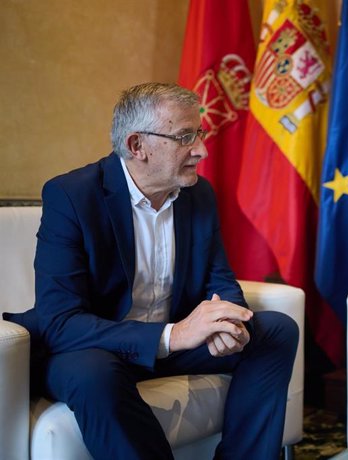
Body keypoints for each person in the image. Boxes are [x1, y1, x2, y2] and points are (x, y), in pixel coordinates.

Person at [11, 82, 298, 459]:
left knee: (276, 330)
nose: (202, 150)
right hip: (92, 349)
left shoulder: (199, 194)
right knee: (93, 373)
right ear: (136, 146)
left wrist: (228, 321)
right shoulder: (72, 196)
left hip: (170, 343)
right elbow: (60, 321)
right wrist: (173, 334)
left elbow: (219, 279)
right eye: (185, 137)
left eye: (200, 133)